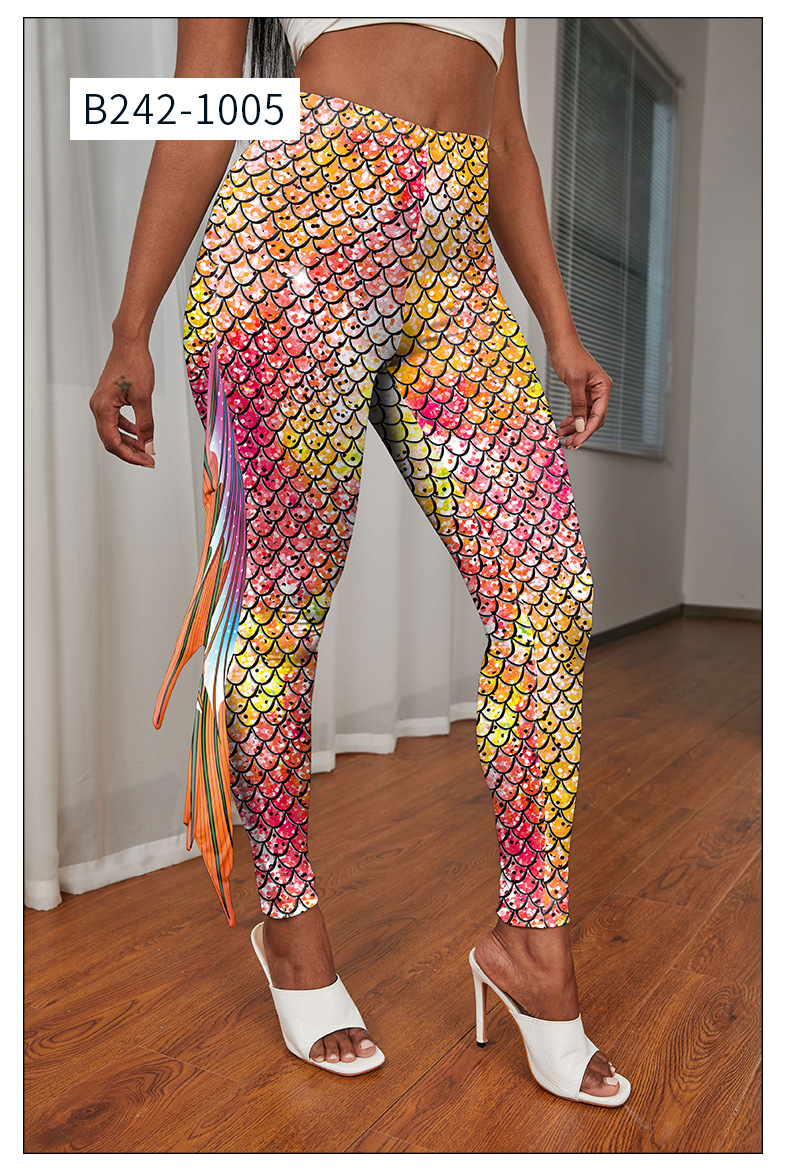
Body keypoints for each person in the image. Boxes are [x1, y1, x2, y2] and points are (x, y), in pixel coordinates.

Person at [90, 17, 629, 1106]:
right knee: (278, 613)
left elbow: (506, 139)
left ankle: (532, 946)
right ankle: (290, 926)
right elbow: (204, 98)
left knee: (548, 588)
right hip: (293, 240)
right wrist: (130, 323)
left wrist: (559, 325)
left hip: (452, 265)